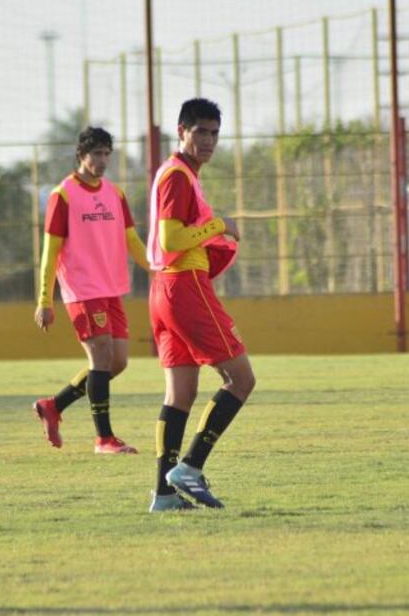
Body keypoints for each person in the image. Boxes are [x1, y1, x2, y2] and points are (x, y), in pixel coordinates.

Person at [146, 98, 256, 512]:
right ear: (181, 131)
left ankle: (163, 495)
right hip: (184, 286)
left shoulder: (179, 174)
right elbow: (172, 239)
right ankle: (190, 467)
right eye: (200, 131)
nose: (208, 140)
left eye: (214, 133)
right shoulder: (177, 175)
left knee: (180, 394)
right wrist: (219, 225)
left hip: (163, 290)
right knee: (241, 379)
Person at [32, 126, 147, 454]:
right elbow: (50, 251)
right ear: (82, 155)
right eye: (97, 153)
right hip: (82, 290)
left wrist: (159, 269)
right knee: (100, 358)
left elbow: (132, 240)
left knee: (118, 362)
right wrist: (44, 299)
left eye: (107, 154)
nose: (103, 160)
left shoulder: (116, 194)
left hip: (112, 288)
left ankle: (53, 405)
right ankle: (104, 439)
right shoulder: (63, 195)